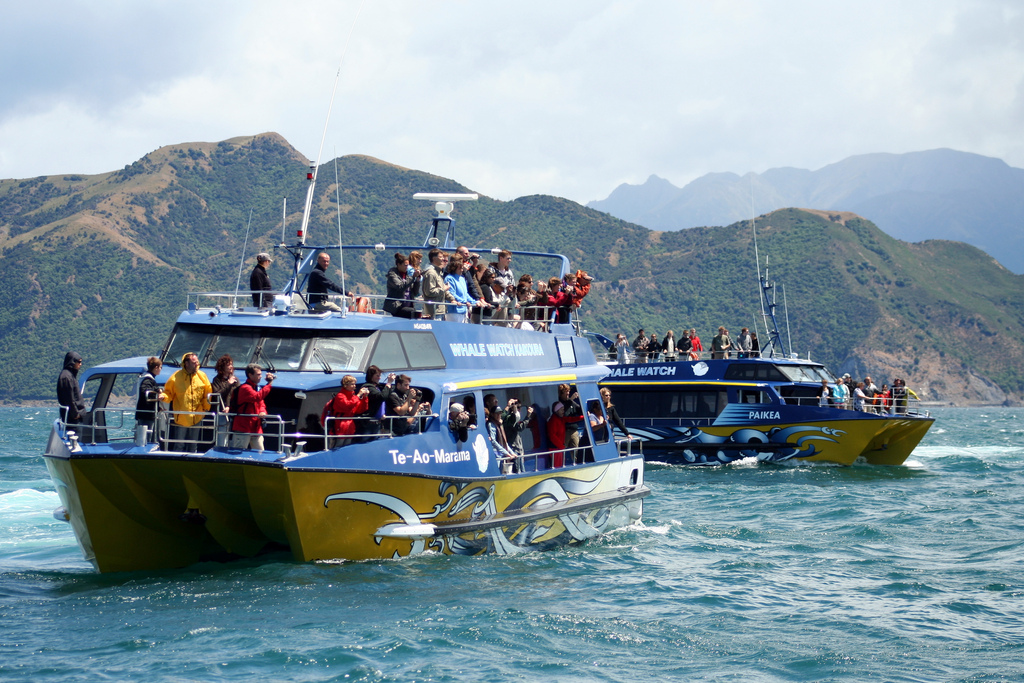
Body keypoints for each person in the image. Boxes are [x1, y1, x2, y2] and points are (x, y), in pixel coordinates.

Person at [161, 352, 212, 452]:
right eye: (194, 362)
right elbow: (168, 393)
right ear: (186, 363)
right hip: (182, 418)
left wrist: (205, 409)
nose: (197, 364)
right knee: (179, 445)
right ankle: (177, 464)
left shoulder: (202, 376)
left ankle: (192, 465)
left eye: (197, 362)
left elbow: (208, 393)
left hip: (197, 416)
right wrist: (163, 396)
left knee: (193, 445)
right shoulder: (175, 377)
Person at [231, 364, 276, 450]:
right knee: (238, 452)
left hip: (256, 427)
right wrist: (269, 384)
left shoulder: (256, 388)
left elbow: (261, 403)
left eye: (260, 374)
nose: (261, 376)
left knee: (260, 453)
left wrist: (263, 412)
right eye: (258, 374)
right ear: (250, 375)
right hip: (243, 428)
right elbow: (257, 397)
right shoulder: (245, 388)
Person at [321, 375, 369, 447]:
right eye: (352, 384)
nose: (354, 386)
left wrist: (365, 397)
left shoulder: (353, 396)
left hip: (349, 426)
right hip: (339, 426)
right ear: (345, 385)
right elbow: (347, 406)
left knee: (347, 447)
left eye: (354, 384)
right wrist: (358, 395)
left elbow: (360, 409)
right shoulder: (340, 396)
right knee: (337, 446)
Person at [357, 366, 392, 439]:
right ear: (371, 376)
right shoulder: (368, 387)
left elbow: (386, 396)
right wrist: (388, 383)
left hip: (376, 423)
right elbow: (382, 396)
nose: (379, 378)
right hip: (368, 424)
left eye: (380, 376)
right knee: (364, 444)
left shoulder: (376, 388)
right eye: (377, 376)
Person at [422, 248, 457, 319]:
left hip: (440, 310)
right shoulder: (431, 273)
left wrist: (452, 299)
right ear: (434, 258)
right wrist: (443, 289)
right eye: (440, 257)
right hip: (434, 311)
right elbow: (429, 292)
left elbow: (442, 289)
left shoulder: (438, 272)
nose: (443, 259)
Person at [384, 252, 421, 318]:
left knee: (414, 313)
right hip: (397, 306)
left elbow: (415, 292)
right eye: (405, 265)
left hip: (408, 305)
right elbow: (400, 286)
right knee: (412, 312)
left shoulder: (408, 274)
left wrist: (417, 281)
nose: (407, 267)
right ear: (399, 264)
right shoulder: (392, 274)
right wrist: (412, 277)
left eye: (408, 265)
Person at [134, 356, 163, 438]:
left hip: (146, 413)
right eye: (161, 367)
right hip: (146, 414)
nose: (161, 369)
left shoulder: (147, 378)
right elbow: (145, 391)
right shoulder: (148, 379)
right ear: (156, 367)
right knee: (146, 436)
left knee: (147, 435)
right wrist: (157, 395)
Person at [57, 351, 88, 427]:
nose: (80, 364)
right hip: (72, 419)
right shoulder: (66, 377)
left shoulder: (70, 375)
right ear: (72, 362)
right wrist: (75, 414)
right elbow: (69, 398)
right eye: (79, 362)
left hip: (76, 416)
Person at [443, 254, 477, 322]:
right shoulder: (449, 278)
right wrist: (464, 302)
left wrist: (475, 302)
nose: (462, 270)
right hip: (454, 311)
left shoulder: (462, 279)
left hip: (464, 311)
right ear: (454, 268)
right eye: (460, 268)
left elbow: (466, 294)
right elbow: (452, 293)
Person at [558, 383, 585, 464]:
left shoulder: (572, 403)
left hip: (573, 431)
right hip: (564, 432)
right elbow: (564, 413)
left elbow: (580, 411)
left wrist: (580, 399)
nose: (568, 393)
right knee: (561, 451)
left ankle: (577, 465)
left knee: (576, 451)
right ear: (561, 393)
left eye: (568, 391)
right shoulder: (559, 403)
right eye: (566, 392)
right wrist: (570, 400)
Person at [487, 406, 516, 474]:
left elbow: (503, 442)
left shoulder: (499, 424)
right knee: (496, 474)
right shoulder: (491, 424)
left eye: (500, 413)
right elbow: (493, 441)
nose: (499, 415)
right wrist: (506, 453)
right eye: (496, 413)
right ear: (492, 414)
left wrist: (511, 452)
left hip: (501, 454)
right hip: (495, 454)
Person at [546, 401, 566, 468]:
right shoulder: (553, 420)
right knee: (557, 467)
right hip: (555, 449)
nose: (563, 411)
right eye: (561, 409)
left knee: (561, 466)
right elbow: (552, 436)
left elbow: (570, 419)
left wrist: (582, 417)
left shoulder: (560, 419)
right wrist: (561, 446)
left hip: (559, 448)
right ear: (557, 410)